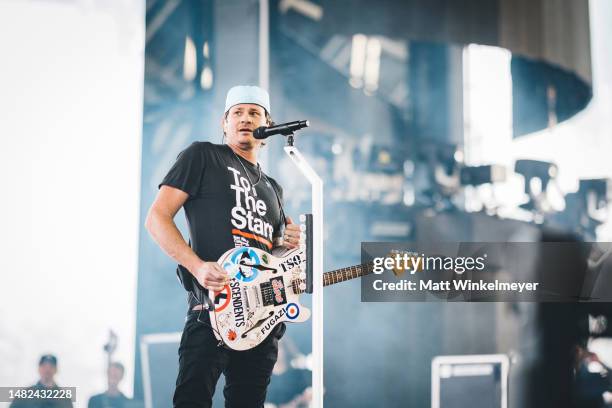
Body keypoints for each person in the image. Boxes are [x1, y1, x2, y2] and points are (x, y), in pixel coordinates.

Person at [145, 85, 302, 408]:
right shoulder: (202, 156)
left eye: (254, 113)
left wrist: (288, 246)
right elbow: (157, 218)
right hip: (211, 311)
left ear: (267, 126)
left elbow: (271, 260)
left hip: (260, 324)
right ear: (224, 122)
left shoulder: (274, 189)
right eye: (238, 113)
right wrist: (197, 266)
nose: (246, 119)